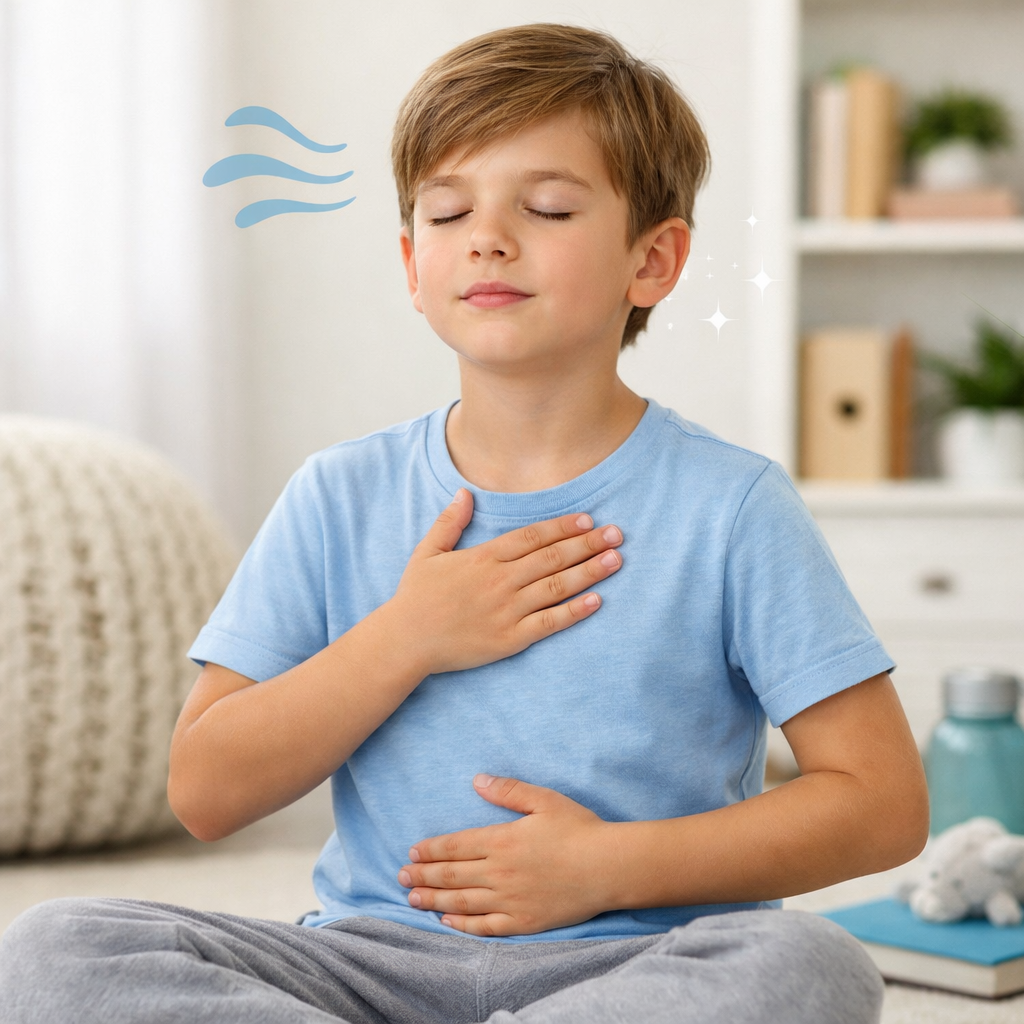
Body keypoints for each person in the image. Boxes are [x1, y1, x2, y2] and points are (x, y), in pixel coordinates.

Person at [0, 22, 928, 1024]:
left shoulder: (731, 505)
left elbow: (881, 802)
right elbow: (205, 790)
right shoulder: (336, 494)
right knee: (56, 947)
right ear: (412, 264)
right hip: (367, 970)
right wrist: (406, 638)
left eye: (548, 206)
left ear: (652, 261)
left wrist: (602, 866)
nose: (487, 235)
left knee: (807, 962)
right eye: (447, 211)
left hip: (638, 960)